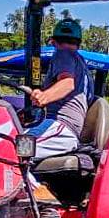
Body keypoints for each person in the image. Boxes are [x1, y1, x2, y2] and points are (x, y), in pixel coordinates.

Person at [21, 17, 90, 164]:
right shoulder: (82, 65)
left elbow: (67, 83)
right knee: (15, 147)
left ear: (53, 41)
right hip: (62, 129)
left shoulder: (62, 53)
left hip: (60, 126)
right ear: (79, 43)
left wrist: (44, 96)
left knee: (15, 151)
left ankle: (35, 188)